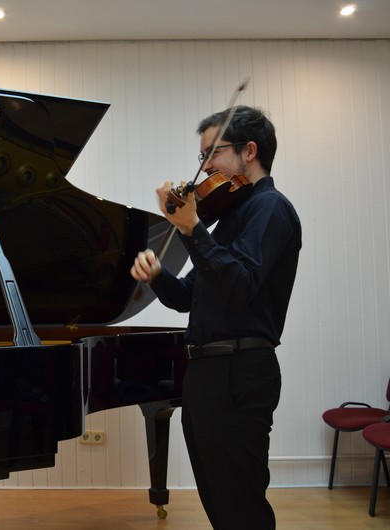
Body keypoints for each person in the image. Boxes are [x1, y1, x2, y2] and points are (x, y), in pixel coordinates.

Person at [130, 105, 302, 529]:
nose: (204, 167)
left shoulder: (271, 208)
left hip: (239, 371)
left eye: (213, 153)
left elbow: (240, 286)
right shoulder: (226, 219)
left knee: (240, 504)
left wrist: (192, 229)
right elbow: (190, 296)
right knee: (219, 501)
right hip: (206, 373)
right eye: (202, 156)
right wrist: (158, 276)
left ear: (249, 151)